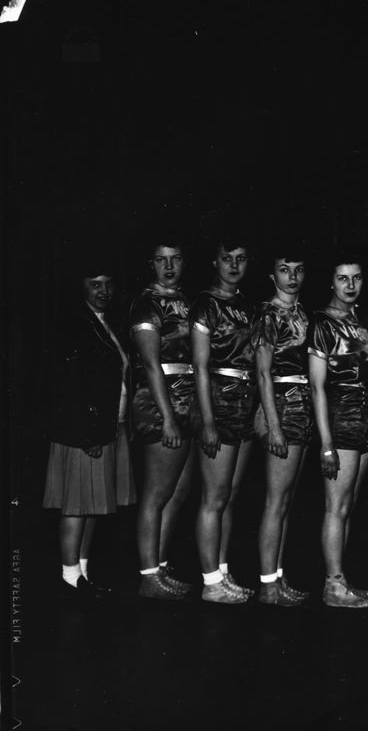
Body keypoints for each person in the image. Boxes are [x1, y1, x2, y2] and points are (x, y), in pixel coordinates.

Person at [43, 260, 135, 598]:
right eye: (96, 284)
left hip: (111, 426)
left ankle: (82, 574)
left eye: (108, 284)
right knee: (77, 505)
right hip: (85, 432)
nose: (104, 291)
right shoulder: (73, 325)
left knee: (96, 504)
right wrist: (88, 434)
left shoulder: (106, 322)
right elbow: (68, 387)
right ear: (81, 286)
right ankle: (68, 579)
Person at [308, 250, 368, 609]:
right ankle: (332, 584)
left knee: (347, 505)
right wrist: (325, 443)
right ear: (330, 281)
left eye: (356, 278)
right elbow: (317, 387)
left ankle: (341, 580)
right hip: (340, 419)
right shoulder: (322, 323)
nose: (350, 286)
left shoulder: (363, 318)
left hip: (364, 419)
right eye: (342, 278)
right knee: (335, 506)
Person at [190, 238, 257, 604]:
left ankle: (222, 571)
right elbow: (200, 366)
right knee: (213, 498)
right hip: (218, 404)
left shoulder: (246, 304)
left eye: (241, 258)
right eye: (226, 258)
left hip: (245, 406)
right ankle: (210, 582)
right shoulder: (205, 304)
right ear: (214, 262)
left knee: (229, 497)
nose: (234, 265)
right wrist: (209, 421)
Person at [130, 239, 196, 600]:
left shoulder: (187, 301)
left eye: (175, 259)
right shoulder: (146, 303)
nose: (168, 266)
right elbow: (152, 365)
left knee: (178, 491)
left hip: (187, 402)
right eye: (160, 260)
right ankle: (147, 575)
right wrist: (168, 417)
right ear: (151, 264)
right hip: (159, 403)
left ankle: (161, 565)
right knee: (156, 492)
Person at [251, 248, 313, 607]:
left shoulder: (301, 312)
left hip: (300, 408)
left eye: (298, 269)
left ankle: (277, 576)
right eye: (284, 270)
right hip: (280, 409)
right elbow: (262, 372)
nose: (292, 276)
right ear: (272, 275)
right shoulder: (268, 314)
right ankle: (267, 585)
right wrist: (273, 425)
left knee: (286, 501)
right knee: (275, 501)